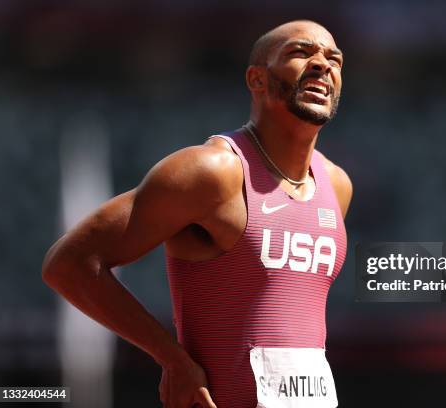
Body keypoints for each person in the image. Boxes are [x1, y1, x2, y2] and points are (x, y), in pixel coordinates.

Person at [42, 19, 352, 408]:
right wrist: (171, 358)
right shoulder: (213, 173)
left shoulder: (335, 185)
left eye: (334, 59)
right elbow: (68, 264)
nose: (323, 64)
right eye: (301, 53)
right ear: (257, 79)